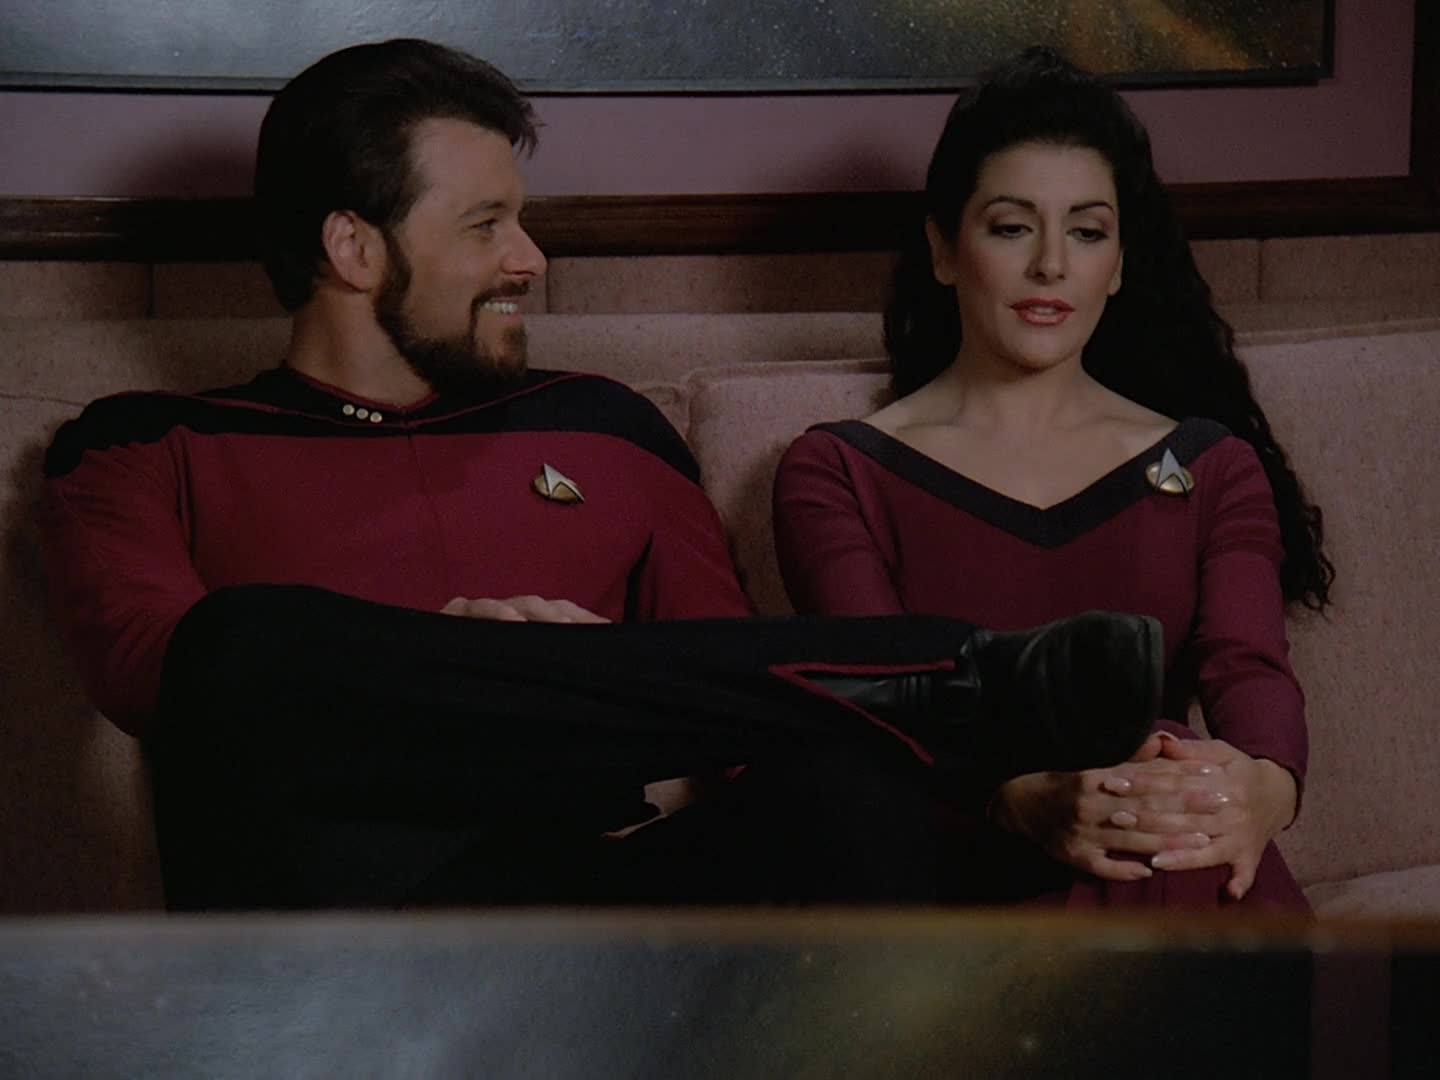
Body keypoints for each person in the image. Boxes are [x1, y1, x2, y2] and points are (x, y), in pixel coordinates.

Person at [41, 39, 1162, 911]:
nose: (530, 259)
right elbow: (159, 680)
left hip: (590, 914)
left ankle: (930, 693)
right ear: (355, 248)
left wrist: (580, 684)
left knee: (843, 780)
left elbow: (730, 699)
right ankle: (946, 674)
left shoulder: (605, 428)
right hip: (335, 925)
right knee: (234, 649)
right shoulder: (142, 445)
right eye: (486, 226)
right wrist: (479, 659)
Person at [773, 47, 1333, 910]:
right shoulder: (838, 471)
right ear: (944, 248)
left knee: (1162, 777)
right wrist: (1018, 798)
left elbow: (1248, 670)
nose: (1050, 266)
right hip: (958, 865)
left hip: (1175, 851)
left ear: (1120, 263)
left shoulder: (1212, 466)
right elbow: (887, 705)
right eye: (1011, 227)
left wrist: (1265, 788)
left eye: (1087, 231)